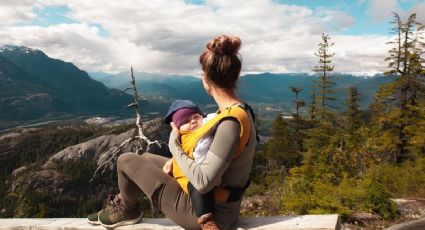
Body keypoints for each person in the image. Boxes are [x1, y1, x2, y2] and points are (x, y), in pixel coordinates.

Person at [87, 34, 257, 230]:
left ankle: (128, 210)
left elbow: (203, 182)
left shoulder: (230, 122)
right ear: (235, 75)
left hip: (209, 214)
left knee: (126, 160)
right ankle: (123, 203)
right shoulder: (239, 111)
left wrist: (174, 146)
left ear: (205, 78)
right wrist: (177, 162)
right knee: (147, 158)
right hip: (218, 204)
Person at [163, 99, 219, 229]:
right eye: (186, 121)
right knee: (196, 187)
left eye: (195, 116)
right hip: (184, 173)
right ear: (179, 128)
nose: (193, 121)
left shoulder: (204, 130)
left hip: (198, 175)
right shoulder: (183, 136)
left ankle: (206, 221)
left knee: (198, 187)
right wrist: (173, 160)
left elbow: (215, 117)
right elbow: (185, 150)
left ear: (201, 116)